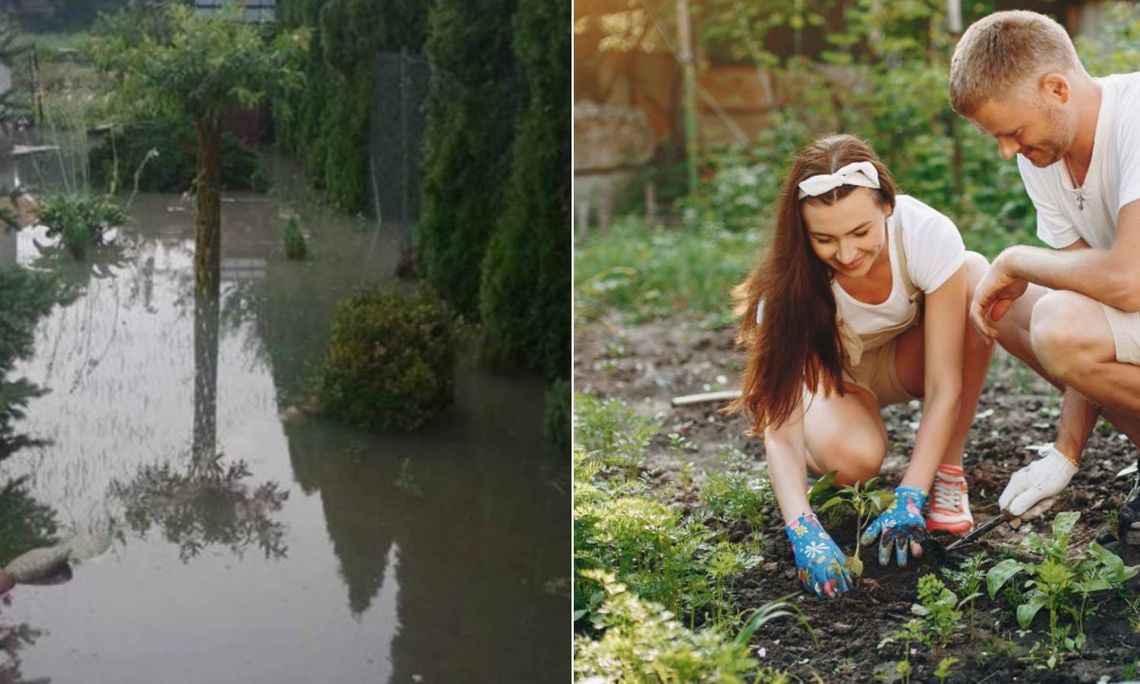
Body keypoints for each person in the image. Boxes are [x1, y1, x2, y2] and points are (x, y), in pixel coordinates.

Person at [729, 134, 993, 599]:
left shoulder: (926, 234)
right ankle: (828, 436)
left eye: (860, 233)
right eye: (824, 239)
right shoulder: (787, 288)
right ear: (802, 231)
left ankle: (947, 474)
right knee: (855, 463)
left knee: (973, 274)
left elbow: (944, 384)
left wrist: (911, 493)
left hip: (905, 361)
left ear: (887, 205)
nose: (847, 254)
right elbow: (779, 427)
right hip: (837, 378)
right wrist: (801, 528)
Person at [949, 10, 1140, 535]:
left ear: (1057, 88)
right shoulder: (1044, 156)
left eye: (1012, 132)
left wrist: (1016, 259)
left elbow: (1127, 281)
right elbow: (1090, 301)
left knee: (1048, 312)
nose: (1008, 150)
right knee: (1006, 308)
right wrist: (1065, 454)